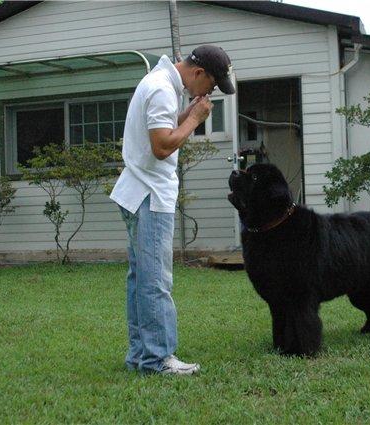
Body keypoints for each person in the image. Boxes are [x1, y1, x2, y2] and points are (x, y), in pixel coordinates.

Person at [109, 45, 235, 375]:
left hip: (139, 193)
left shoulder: (158, 82)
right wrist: (194, 119)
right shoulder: (162, 89)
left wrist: (185, 115)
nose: (209, 92)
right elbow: (162, 146)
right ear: (198, 73)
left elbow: (161, 130)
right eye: (212, 85)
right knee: (155, 282)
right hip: (151, 196)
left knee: (140, 280)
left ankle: (140, 355)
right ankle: (157, 359)